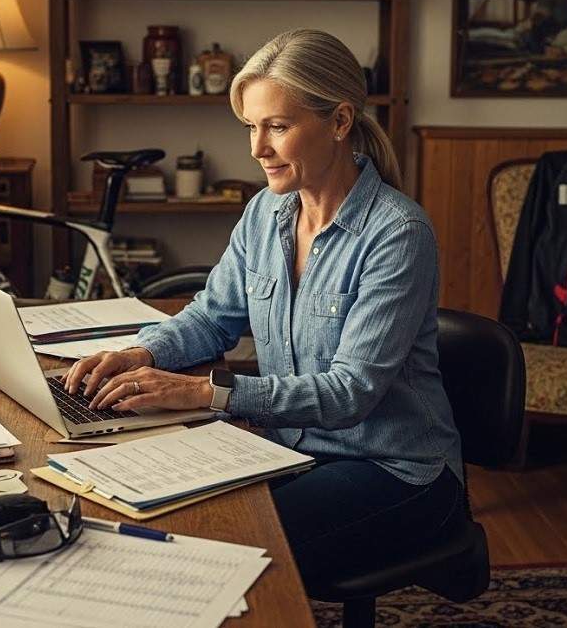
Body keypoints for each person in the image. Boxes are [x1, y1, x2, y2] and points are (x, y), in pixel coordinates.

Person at [63, 29, 465, 589]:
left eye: (277, 126)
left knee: (225, 555)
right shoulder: (265, 213)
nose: (256, 149)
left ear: (340, 121)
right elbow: (213, 315)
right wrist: (139, 353)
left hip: (393, 469)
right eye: (252, 127)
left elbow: (351, 392)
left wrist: (209, 393)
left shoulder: (397, 233)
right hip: (290, 446)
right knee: (162, 519)